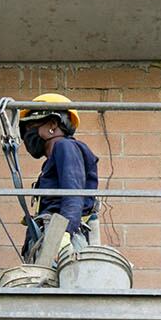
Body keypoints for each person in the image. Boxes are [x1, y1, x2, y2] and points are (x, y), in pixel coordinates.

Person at [18, 92, 99, 265]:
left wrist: (63, 235)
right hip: (54, 232)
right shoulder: (55, 158)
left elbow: (73, 193)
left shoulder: (65, 146)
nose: (27, 134)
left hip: (60, 235)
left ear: (53, 124)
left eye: (31, 125)